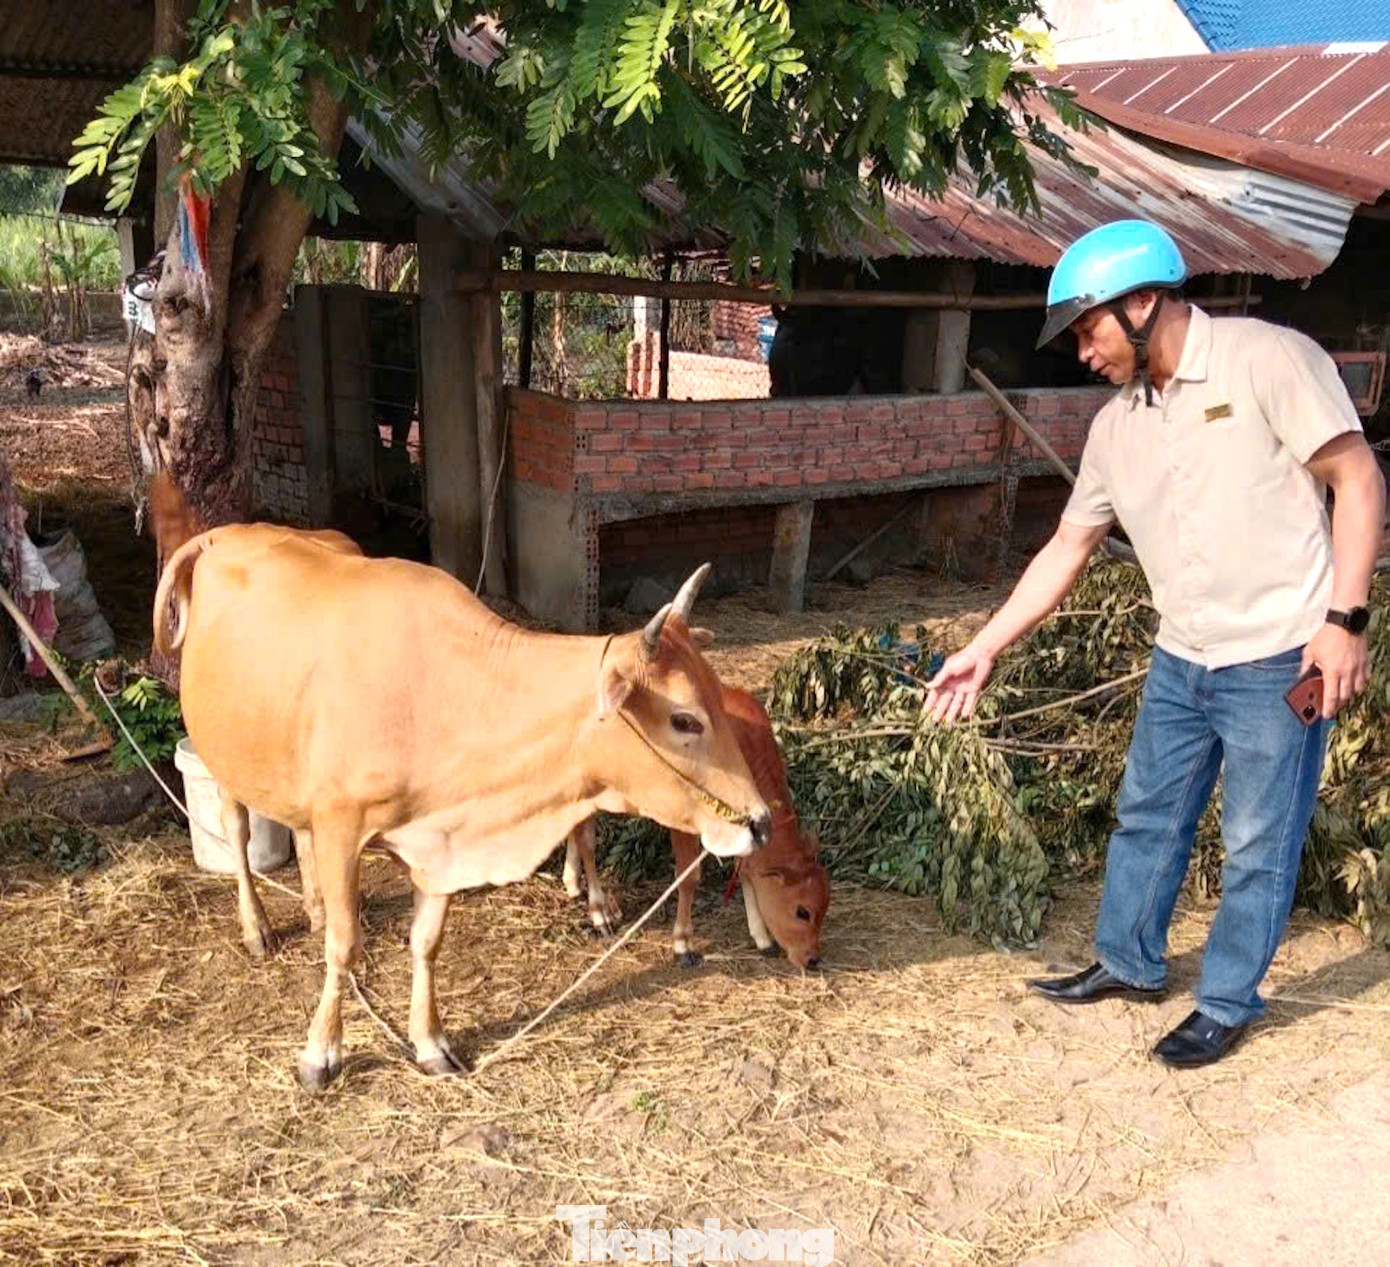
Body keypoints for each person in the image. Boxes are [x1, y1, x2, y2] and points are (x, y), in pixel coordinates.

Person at [924, 219, 1386, 1068]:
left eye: (1088, 329)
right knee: (1147, 816)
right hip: (1182, 660)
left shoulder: (1264, 359)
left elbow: (1358, 478)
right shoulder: (1115, 429)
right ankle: (1129, 961)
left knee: (1256, 839)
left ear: (1141, 303)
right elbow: (1067, 547)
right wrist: (983, 646)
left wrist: (1344, 622)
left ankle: (1225, 999)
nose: (1082, 352)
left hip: (1284, 656)